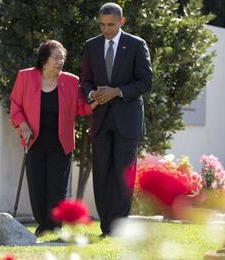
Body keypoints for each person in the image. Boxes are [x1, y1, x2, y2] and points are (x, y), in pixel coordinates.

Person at [10, 40, 98, 236]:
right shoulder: (25, 77)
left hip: (60, 143)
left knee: (57, 188)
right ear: (44, 59)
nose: (61, 62)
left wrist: (95, 102)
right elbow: (16, 106)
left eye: (63, 58)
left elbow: (80, 107)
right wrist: (23, 126)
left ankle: (54, 226)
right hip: (34, 141)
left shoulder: (71, 81)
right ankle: (43, 224)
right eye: (56, 58)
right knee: (37, 186)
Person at [81, 3, 153, 236]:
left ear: (122, 21)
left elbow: (145, 82)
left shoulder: (136, 44)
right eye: (102, 24)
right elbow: (86, 81)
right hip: (101, 120)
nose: (106, 29)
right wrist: (93, 94)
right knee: (101, 173)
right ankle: (106, 226)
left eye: (110, 25)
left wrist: (117, 91)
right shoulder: (91, 46)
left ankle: (119, 227)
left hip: (127, 120)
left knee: (123, 175)